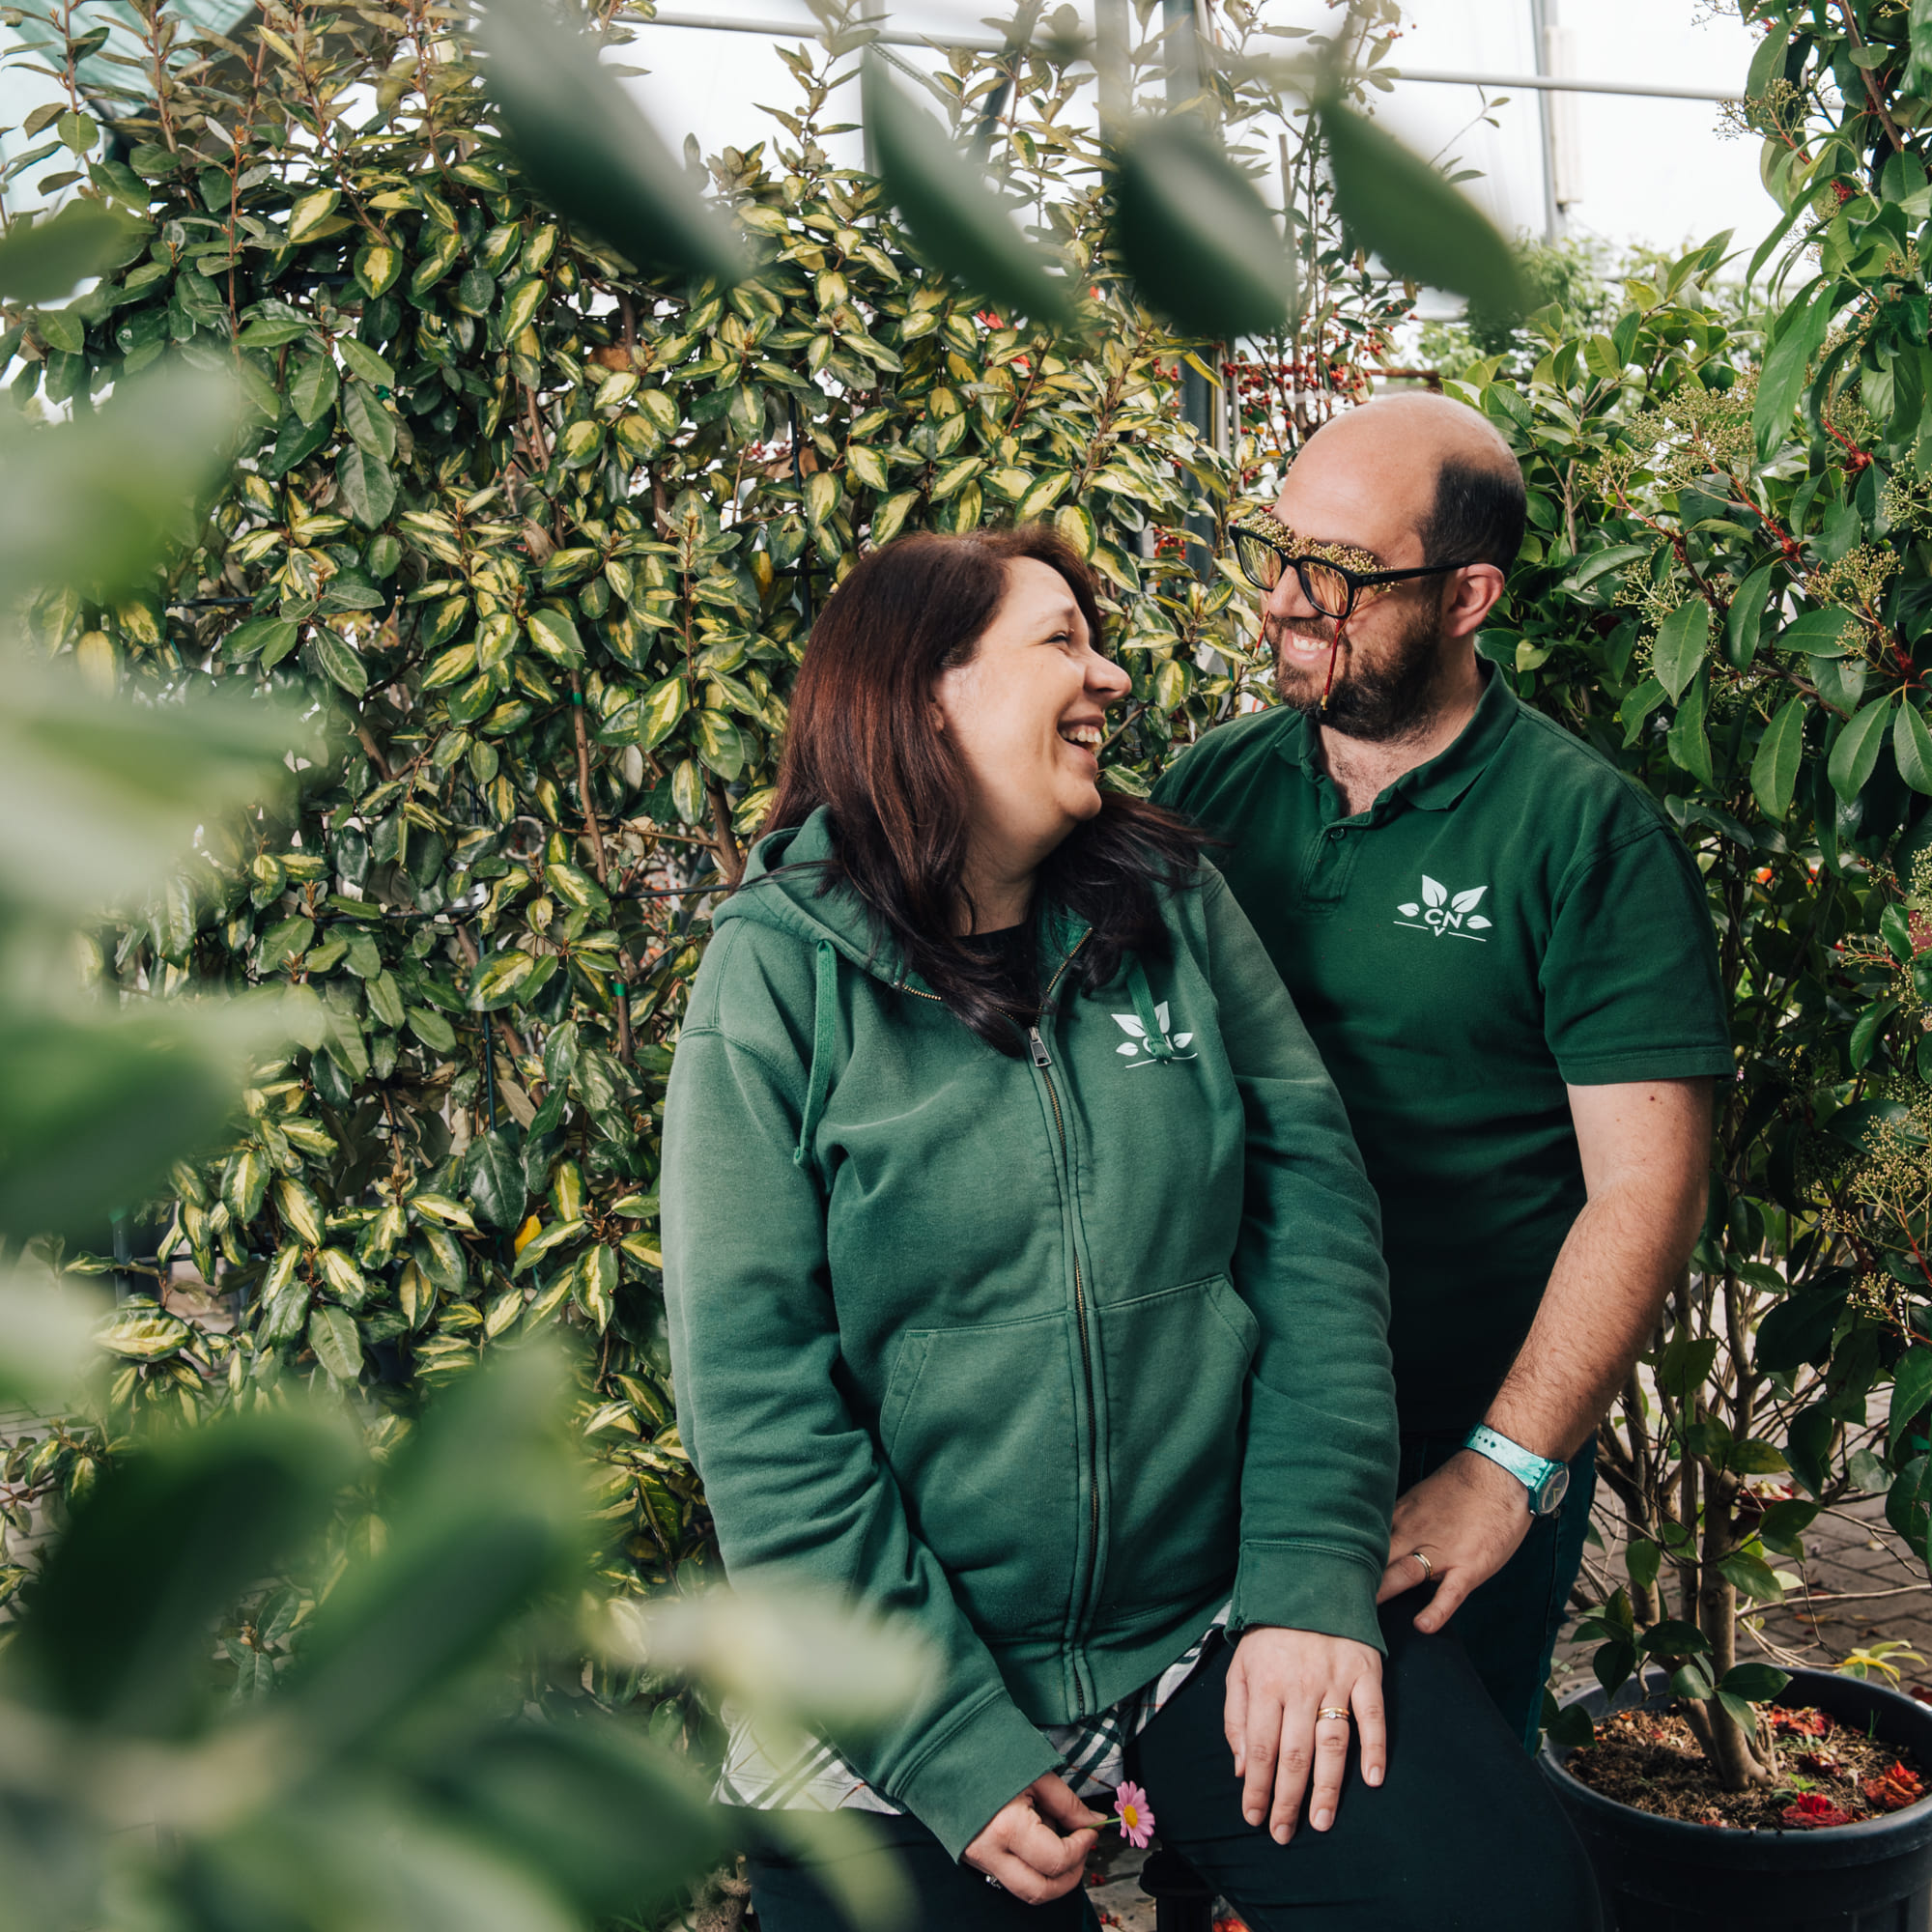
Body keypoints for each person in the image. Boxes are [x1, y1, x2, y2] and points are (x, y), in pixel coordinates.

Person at [663, 526, 1602, 1930]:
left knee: (1508, 1904)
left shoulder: (1168, 900)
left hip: (1207, 1614)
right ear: (925, 693)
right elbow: (757, 1399)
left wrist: (1303, 1581)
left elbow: (1314, 1238)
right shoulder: (775, 975)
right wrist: (947, 1752)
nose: (1107, 674)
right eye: (1059, 642)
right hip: (913, 1666)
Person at [1154, 392, 1729, 1751]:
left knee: (1424, 1827)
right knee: (1219, 1815)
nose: (1290, 601)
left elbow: (1644, 1192)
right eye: (1278, 551)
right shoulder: (1213, 790)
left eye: (1343, 572)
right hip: (1224, 1442)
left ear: (1470, 594)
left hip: (1451, 1458)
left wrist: (1508, 1465)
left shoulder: (1584, 835)